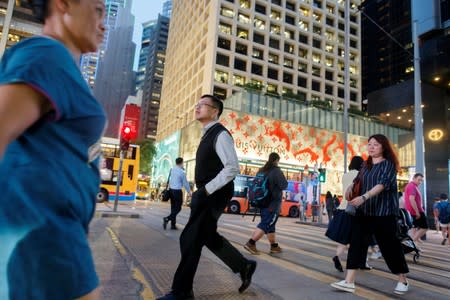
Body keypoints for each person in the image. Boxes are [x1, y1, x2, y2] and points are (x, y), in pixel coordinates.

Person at [0, 1, 106, 299]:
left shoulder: (59, 63)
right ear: (63, 4)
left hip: (55, 236)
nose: (103, 23)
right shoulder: (47, 54)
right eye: (97, 9)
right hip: (41, 236)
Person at [157, 95, 256, 300]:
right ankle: (243, 265)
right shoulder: (208, 134)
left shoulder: (220, 134)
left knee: (190, 239)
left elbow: (232, 168)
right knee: (207, 236)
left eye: (202, 105)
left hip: (213, 194)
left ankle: (182, 292)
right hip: (208, 193)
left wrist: (205, 191)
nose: (197, 108)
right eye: (197, 105)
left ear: (214, 111)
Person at [331, 134, 409, 295]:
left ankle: (403, 280)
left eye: (376, 144)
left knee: (390, 248)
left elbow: (382, 184)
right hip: (364, 212)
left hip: (384, 213)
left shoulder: (388, 165)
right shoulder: (365, 165)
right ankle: (349, 281)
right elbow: (358, 180)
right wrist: (350, 187)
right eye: (369, 144)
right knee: (356, 244)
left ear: (383, 147)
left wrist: (364, 197)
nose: (371, 147)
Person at [244, 152, 288, 255]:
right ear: (277, 160)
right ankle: (251, 243)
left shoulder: (262, 170)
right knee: (266, 223)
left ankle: (274, 247)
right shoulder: (276, 171)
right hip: (272, 204)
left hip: (262, 203)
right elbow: (284, 185)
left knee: (270, 225)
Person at [326, 156, 363, 272]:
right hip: (353, 209)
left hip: (342, 209)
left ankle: (337, 256)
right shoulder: (360, 175)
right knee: (356, 238)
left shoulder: (345, 175)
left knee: (344, 238)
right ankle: (357, 262)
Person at [163, 157, 192, 230]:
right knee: (178, 208)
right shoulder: (182, 172)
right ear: (181, 163)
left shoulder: (172, 170)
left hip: (171, 191)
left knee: (173, 208)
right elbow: (185, 183)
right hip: (177, 191)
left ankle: (173, 225)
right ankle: (167, 218)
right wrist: (189, 192)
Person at [404, 173, 429, 244]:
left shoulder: (412, 186)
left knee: (414, 229)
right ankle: (411, 242)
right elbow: (412, 199)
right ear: (414, 178)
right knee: (425, 227)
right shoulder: (412, 186)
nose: (420, 182)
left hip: (413, 211)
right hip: (416, 211)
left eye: (421, 180)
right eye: (419, 180)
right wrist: (417, 212)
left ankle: (413, 244)